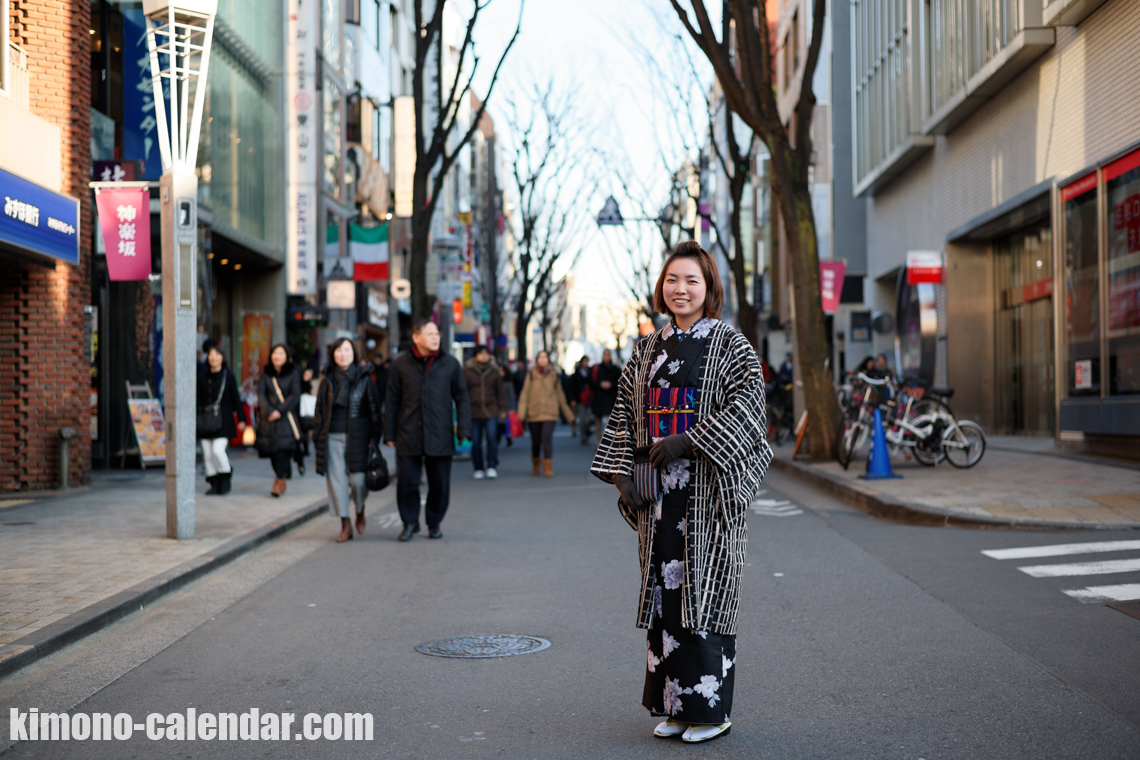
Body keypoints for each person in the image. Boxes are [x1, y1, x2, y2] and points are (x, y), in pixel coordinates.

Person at [590, 241, 772, 744]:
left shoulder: (732, 346)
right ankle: (674, 704)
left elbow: (749, 411)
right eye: (673, 280)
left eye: (692, 280)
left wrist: (688, 440)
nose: (681, 289)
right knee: (663, 596)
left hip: (708, 491)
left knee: (705, 595)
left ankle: (710, 711)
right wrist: (624, 478)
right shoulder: (647, 348)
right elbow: (624, 416)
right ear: (662, 287)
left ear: (709, 288)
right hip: (658, 496)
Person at [385, 320, 471, 541]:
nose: (435, 337)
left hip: (440, 432)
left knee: (440, 483)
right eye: (430, 333)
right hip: (408, 432)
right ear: (416, 337)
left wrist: (463, 430)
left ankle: (434, 522)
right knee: (407, 482)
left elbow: (461, 398)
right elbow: (392, 400)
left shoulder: (449, 363)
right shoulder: (400, 364)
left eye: (437, 333)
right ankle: (410, 523)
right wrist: (389, 433)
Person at [313, 338, 383, 543]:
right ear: (333, 354)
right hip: (332, 436)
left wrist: (374, 440)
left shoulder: (364, 378)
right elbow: (319, 410)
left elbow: (375, 413)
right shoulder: (327, 379)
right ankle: (345, 523)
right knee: (337, 482)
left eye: (347, 350)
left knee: (358, 481)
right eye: (338, 350)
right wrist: (317, 435)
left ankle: (360, 509)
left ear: (353, 353)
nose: (342, 354)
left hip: (359, 438)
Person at [196, 341, 246, 496]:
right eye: (211, 355)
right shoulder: (201, 377)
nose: (213, 358)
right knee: (207, 455)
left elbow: (235, 398)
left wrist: (241, 419)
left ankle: (225, 477)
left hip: (223, 420)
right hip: (205, 420)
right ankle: (214, 484)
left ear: (222, 357)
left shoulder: (228, 375)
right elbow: (197, 399)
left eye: (217, 355)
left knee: (218, 450)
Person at [517, 350, 574, 478]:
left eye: (545, 357)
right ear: (537, 360)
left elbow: (560, 395)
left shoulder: (555, 375)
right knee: (536, 441)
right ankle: (536, 465)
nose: (542, 360)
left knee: (546, 438)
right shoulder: (531, 374)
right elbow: (525, 393)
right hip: (534, 411)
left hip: (550, 412)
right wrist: (521, 412)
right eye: (540, 357)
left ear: (548, 359)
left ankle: (548, 467)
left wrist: (567, 413)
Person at [256, 343, 302, 497]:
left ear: (287, 357)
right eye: (275, 353)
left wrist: (279, 411)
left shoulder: (293, 373)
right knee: (272, 452)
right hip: (268, 420)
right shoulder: (266, 373)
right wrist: (269, 411)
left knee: (282, 451)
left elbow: (295, 395)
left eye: (281, 354)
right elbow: (261, 394)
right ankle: (281, 478)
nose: (277, 356)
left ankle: (279, 480)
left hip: (285, 419)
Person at [462, 345, 506, 480]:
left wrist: (503, 409)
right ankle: (478, 467)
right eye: (481, 353)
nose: (484, 356)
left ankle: (492, 466)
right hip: (473, 411)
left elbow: (500, 391)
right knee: (475, 441)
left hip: (490, 410)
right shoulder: (467, 371)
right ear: (475, 355)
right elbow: (462, 391)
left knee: (492, 439)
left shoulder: (494, 371)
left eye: (486, 353)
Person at [590, 348, 621, 447]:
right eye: (605, 355)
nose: (606, 357)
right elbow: (590, 382)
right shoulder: (596, 368)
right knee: (597, 424)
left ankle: (610, 443)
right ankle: (598, 443)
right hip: (599, 399)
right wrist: (600, 384)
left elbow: (620, 382)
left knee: (611, 424)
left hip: (610, 399)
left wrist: (610, 384)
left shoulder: (616, 369)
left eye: (608, 355)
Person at [569, 356, 594, 445]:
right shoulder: (576, 374)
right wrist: (572, 399)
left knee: (591, 418)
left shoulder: (590, 372)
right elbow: (571, 387)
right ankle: (583, 437)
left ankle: (587, 432)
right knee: (583, 419)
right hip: (580, 399)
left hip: (590, 399)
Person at [498, 363, 517, 448]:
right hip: (496, 407)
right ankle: (499, 440)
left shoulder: (508, 382)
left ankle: (507, 439)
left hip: (506, 406)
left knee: (504, 425)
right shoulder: (495, 380)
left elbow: (511, 396)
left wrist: (512, 408)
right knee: (499, 425)